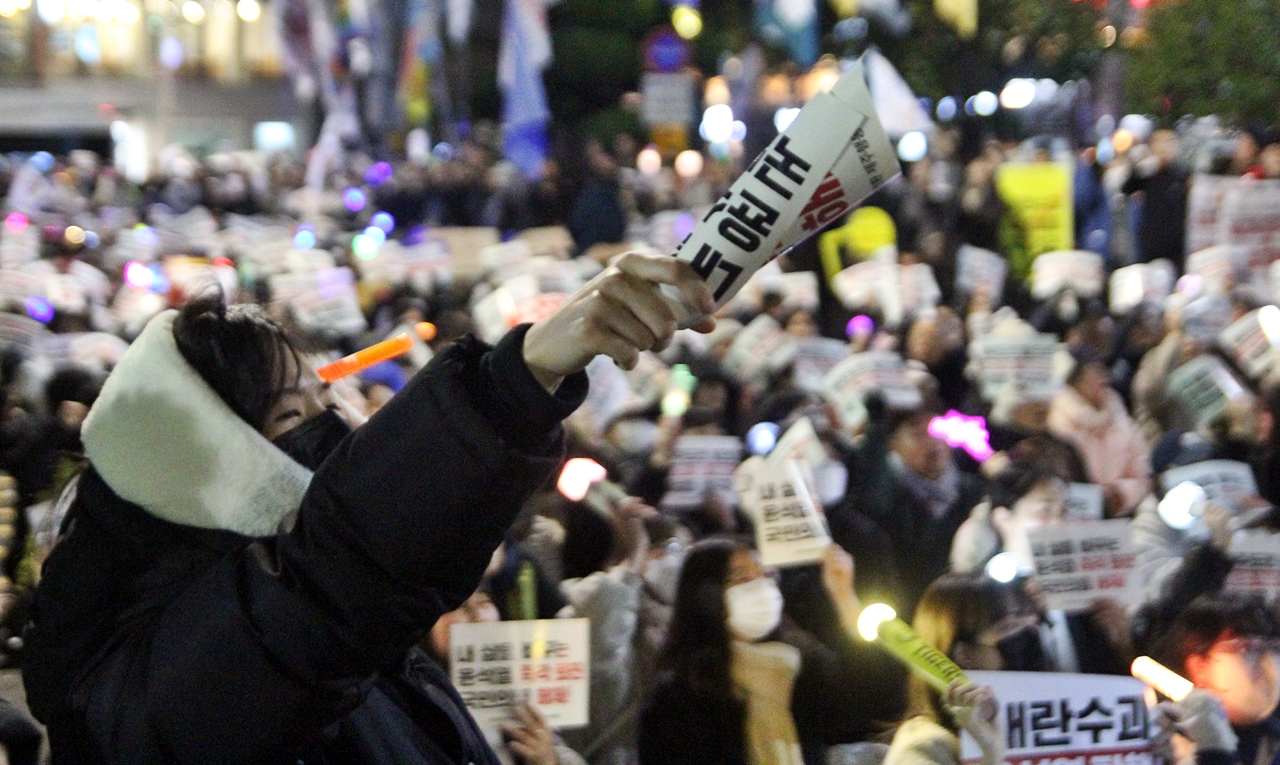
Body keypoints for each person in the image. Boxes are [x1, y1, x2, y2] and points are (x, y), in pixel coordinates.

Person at [22, 252, 718, 764]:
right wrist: (516, 380)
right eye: (292, 416)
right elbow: (330, 574)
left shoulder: (363, 652)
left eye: (329, 402)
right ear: (193, 470)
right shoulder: (151, 697)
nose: (340, 435)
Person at [637, 539, 870, 765]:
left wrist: (844, 596)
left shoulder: (796, 664)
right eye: (741, 578)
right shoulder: (677, 698)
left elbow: (866, 701)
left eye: (766, 575)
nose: (760, 586)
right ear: (706, 596)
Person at [883, 574, 1033, 765]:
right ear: (964, 654)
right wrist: (990, 753)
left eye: (1021, 623)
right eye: (1006, 628)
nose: (1023, 636)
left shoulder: (1039, 721)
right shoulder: (923, 747)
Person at [1148, 592, 1280, 765]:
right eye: (1247, 649)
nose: (1267, 664)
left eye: (1273, 648)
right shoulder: (1159, 741)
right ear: (1199, 666)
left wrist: (1215, 753)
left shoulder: (1273, 741)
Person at [1047, 347, 1151, 517]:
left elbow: (1141, 467)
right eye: (1096, 372)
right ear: (1076, 380)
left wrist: (1122, 493)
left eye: (1103, 370)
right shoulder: (1058, 424)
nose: (1104, 378)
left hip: (1126, 510)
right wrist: (1099, 499)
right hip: (1079, 515)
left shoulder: (1117, 411)